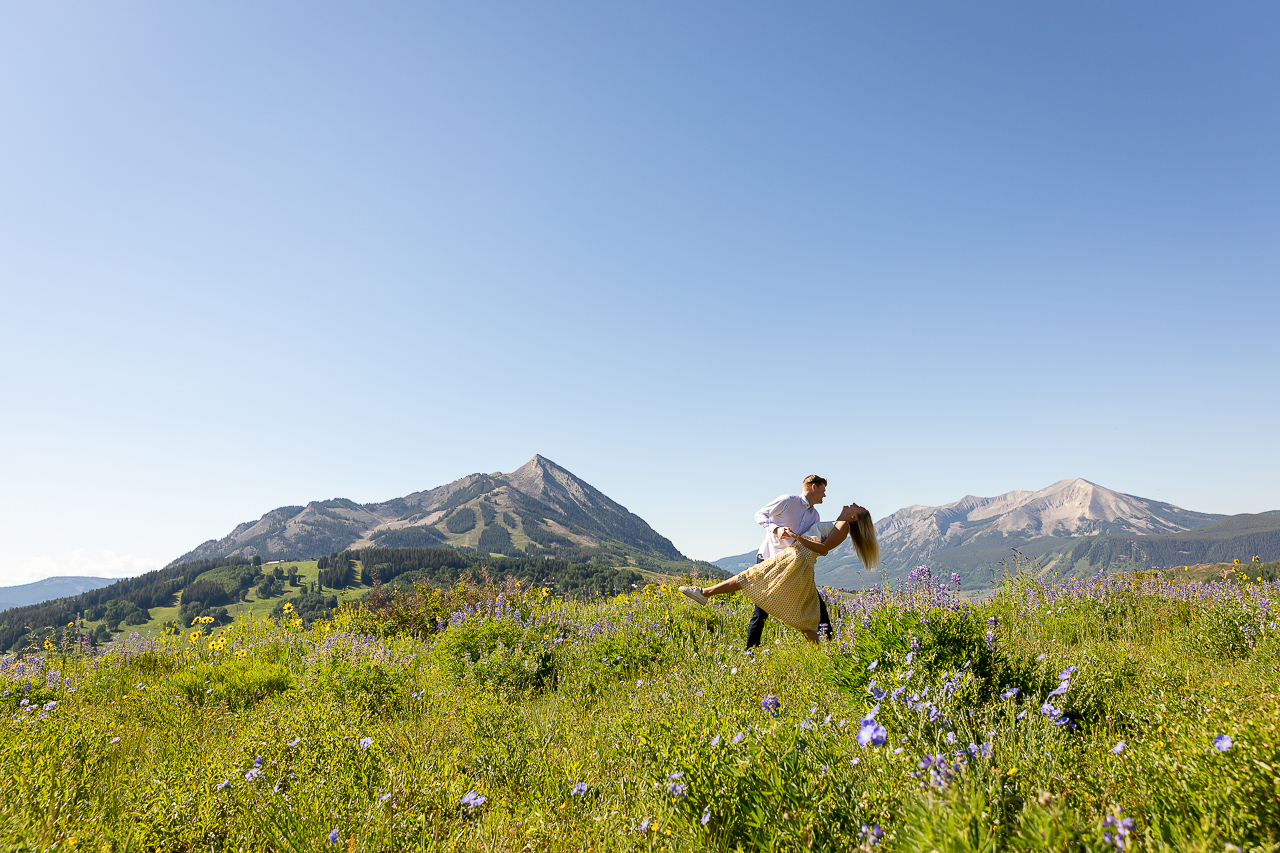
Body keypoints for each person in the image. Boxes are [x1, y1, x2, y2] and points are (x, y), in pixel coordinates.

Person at [680, 502, 877, 644]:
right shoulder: (839, 524)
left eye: (856, 507)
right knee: (803, 614)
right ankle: (827, 652)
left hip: (797, 560)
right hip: (795, 558)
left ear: (854, 517)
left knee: (750, 577)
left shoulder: (843, 527)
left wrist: (796, 537)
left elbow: (822, 548)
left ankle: (704, 593)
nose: (852, 504)